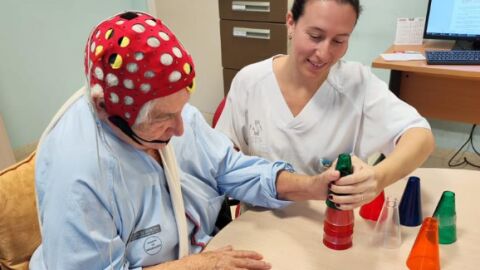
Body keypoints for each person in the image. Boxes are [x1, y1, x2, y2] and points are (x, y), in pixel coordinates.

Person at [29, 11, 341, 270]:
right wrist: (198, 265)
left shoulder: (176, 118)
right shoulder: (77, 173)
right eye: (162, 118)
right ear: (106, 111)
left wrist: (310, 185)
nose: (181, 129)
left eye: (182, 108)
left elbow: (229, 168)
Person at [215, 0, 435, 209]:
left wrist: (377, 178)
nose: (324, 53)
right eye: (315, 36)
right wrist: (307, 187)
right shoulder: (251, 82)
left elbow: (420, 135)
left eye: (339, 41)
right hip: (260, 220)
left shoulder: (356, 83)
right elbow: (223, 163)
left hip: (330, 225)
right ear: (291, 23)